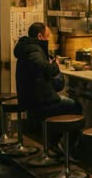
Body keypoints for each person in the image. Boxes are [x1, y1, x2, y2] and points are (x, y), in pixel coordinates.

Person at [13, 22, 82, 151]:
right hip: (40, 102)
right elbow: (42, 66)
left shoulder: (26, 48)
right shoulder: (34, 51)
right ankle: (65, 147)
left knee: (66, 104)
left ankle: (54, 141)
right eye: (47, 37)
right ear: (40, 36)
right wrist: (54, 66)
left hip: (30, 100)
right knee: (75, 106)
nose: (48, 40)